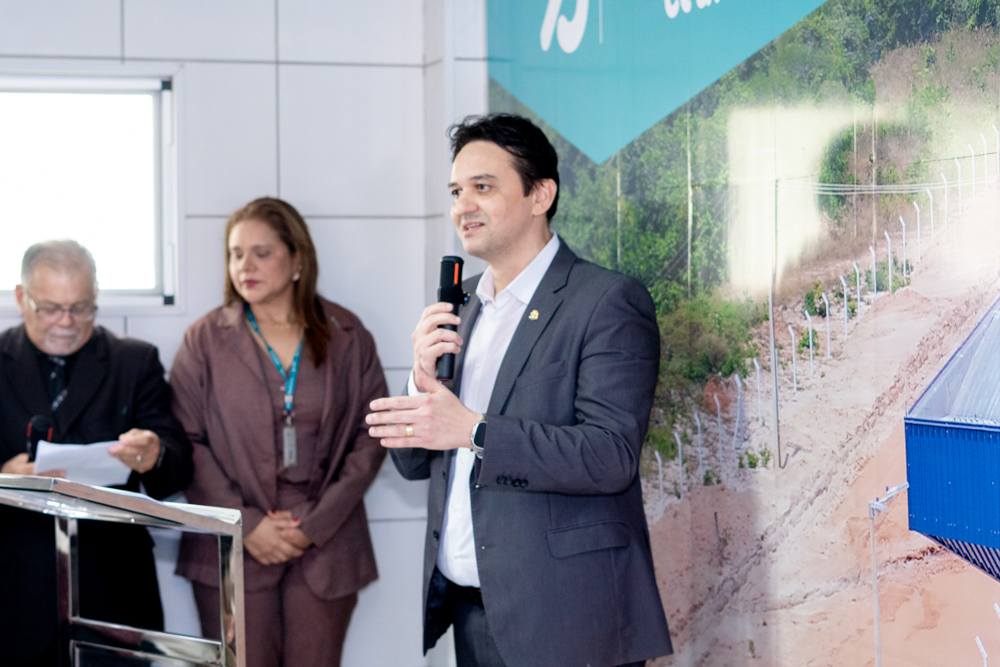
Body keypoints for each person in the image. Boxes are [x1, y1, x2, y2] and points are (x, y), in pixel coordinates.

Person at [368, 114, 673, 667]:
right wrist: (419, 379)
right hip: (472, 618)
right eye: (456, 191)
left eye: (483, 187)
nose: (463, 206)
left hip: (569, 622)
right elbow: (413, 465)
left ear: (541, 195)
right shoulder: (460, 306)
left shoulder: (605, 302)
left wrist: (475, 430)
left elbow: (610, 456)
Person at [170, 197, 388, 667]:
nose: (244, 266)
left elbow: (371, 437)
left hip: (326, 541)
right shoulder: (204, 341)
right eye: (235, 254)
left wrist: (313, 525)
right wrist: (246, 524)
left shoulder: (347, 335)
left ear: (297, 260)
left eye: (261, 253)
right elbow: (187, 442)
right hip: (233, 542)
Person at [0, 240, 193, 667]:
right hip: (15, 593)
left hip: (114, 592)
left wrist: (154, 454)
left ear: (96, 297)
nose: (66, 322)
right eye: (50, 308)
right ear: (20, 297)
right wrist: (4, 478)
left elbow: (179, 465)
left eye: (81, 308)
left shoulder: (134, 362)